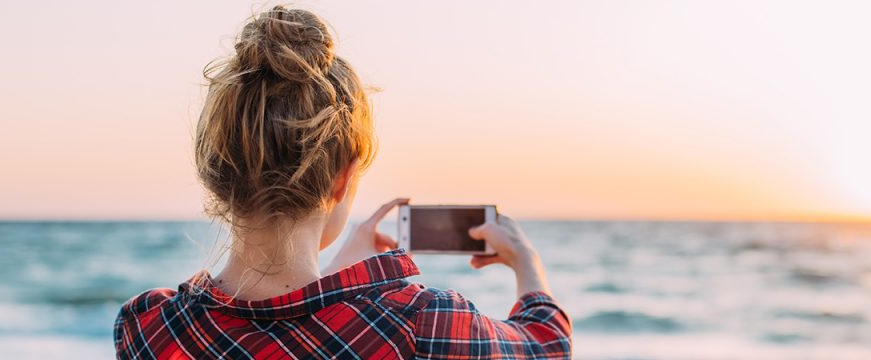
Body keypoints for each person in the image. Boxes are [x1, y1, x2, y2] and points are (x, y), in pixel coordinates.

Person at [113, 5, 571, 359]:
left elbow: (281, 331)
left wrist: (338, 274)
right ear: (343, 179)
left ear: (216, 172)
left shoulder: (148, 328)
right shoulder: (417, 324)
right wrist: (527, 265)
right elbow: (546, 346)